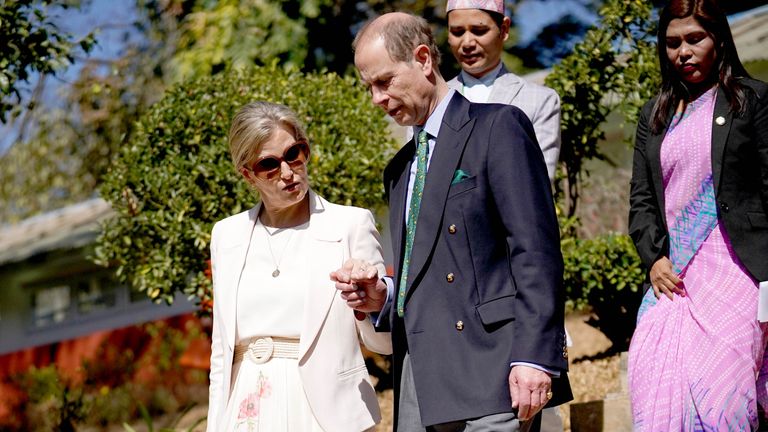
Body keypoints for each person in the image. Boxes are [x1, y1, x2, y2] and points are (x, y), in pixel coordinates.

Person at [332, 12, 572, 431]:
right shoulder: (400, 168)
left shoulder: (498, 127)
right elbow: (423, 267)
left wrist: (534, 356)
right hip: (420, 383)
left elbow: (535, 251)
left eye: (384, 81)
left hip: (492, 372)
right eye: (368, 87)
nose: (376, 98)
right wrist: (383, 297)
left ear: (423, 59)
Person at [206, 101, 392, 432]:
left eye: (294, 153)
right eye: (269, 165)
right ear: (248, 174)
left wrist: (370, 305)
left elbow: (385, 344)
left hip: (325, 412)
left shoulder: (350, 224)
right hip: (245, 410)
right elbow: (221, 352)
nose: (289, 172)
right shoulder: (226, 236)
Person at [627, 0, 768, 429]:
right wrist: (654, 259)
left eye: (694, 39)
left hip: (740, 271)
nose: (682, 52)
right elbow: (643, 199)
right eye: (672, 43)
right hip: (676, 277)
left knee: (724, 395)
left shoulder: (751, 100)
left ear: (718, 40)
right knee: (652, 377)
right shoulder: (656, 115)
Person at [445, 0, 561, 183]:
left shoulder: (539, 100)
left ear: (504, 29)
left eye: (479, 31)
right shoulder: (431, 101)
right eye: (457, 32)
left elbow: (539, 186)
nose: (467, 43)